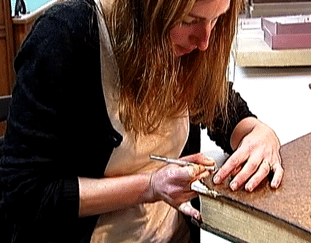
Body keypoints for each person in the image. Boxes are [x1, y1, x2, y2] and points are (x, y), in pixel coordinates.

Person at [0, 0, 284, 242]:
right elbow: (25, 193)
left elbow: (226, 114)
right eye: (189, 20)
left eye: (216, 19)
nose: (205, 41)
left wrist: (260, 134)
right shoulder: (64, 39)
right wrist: (150, 186)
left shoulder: (187, 49)